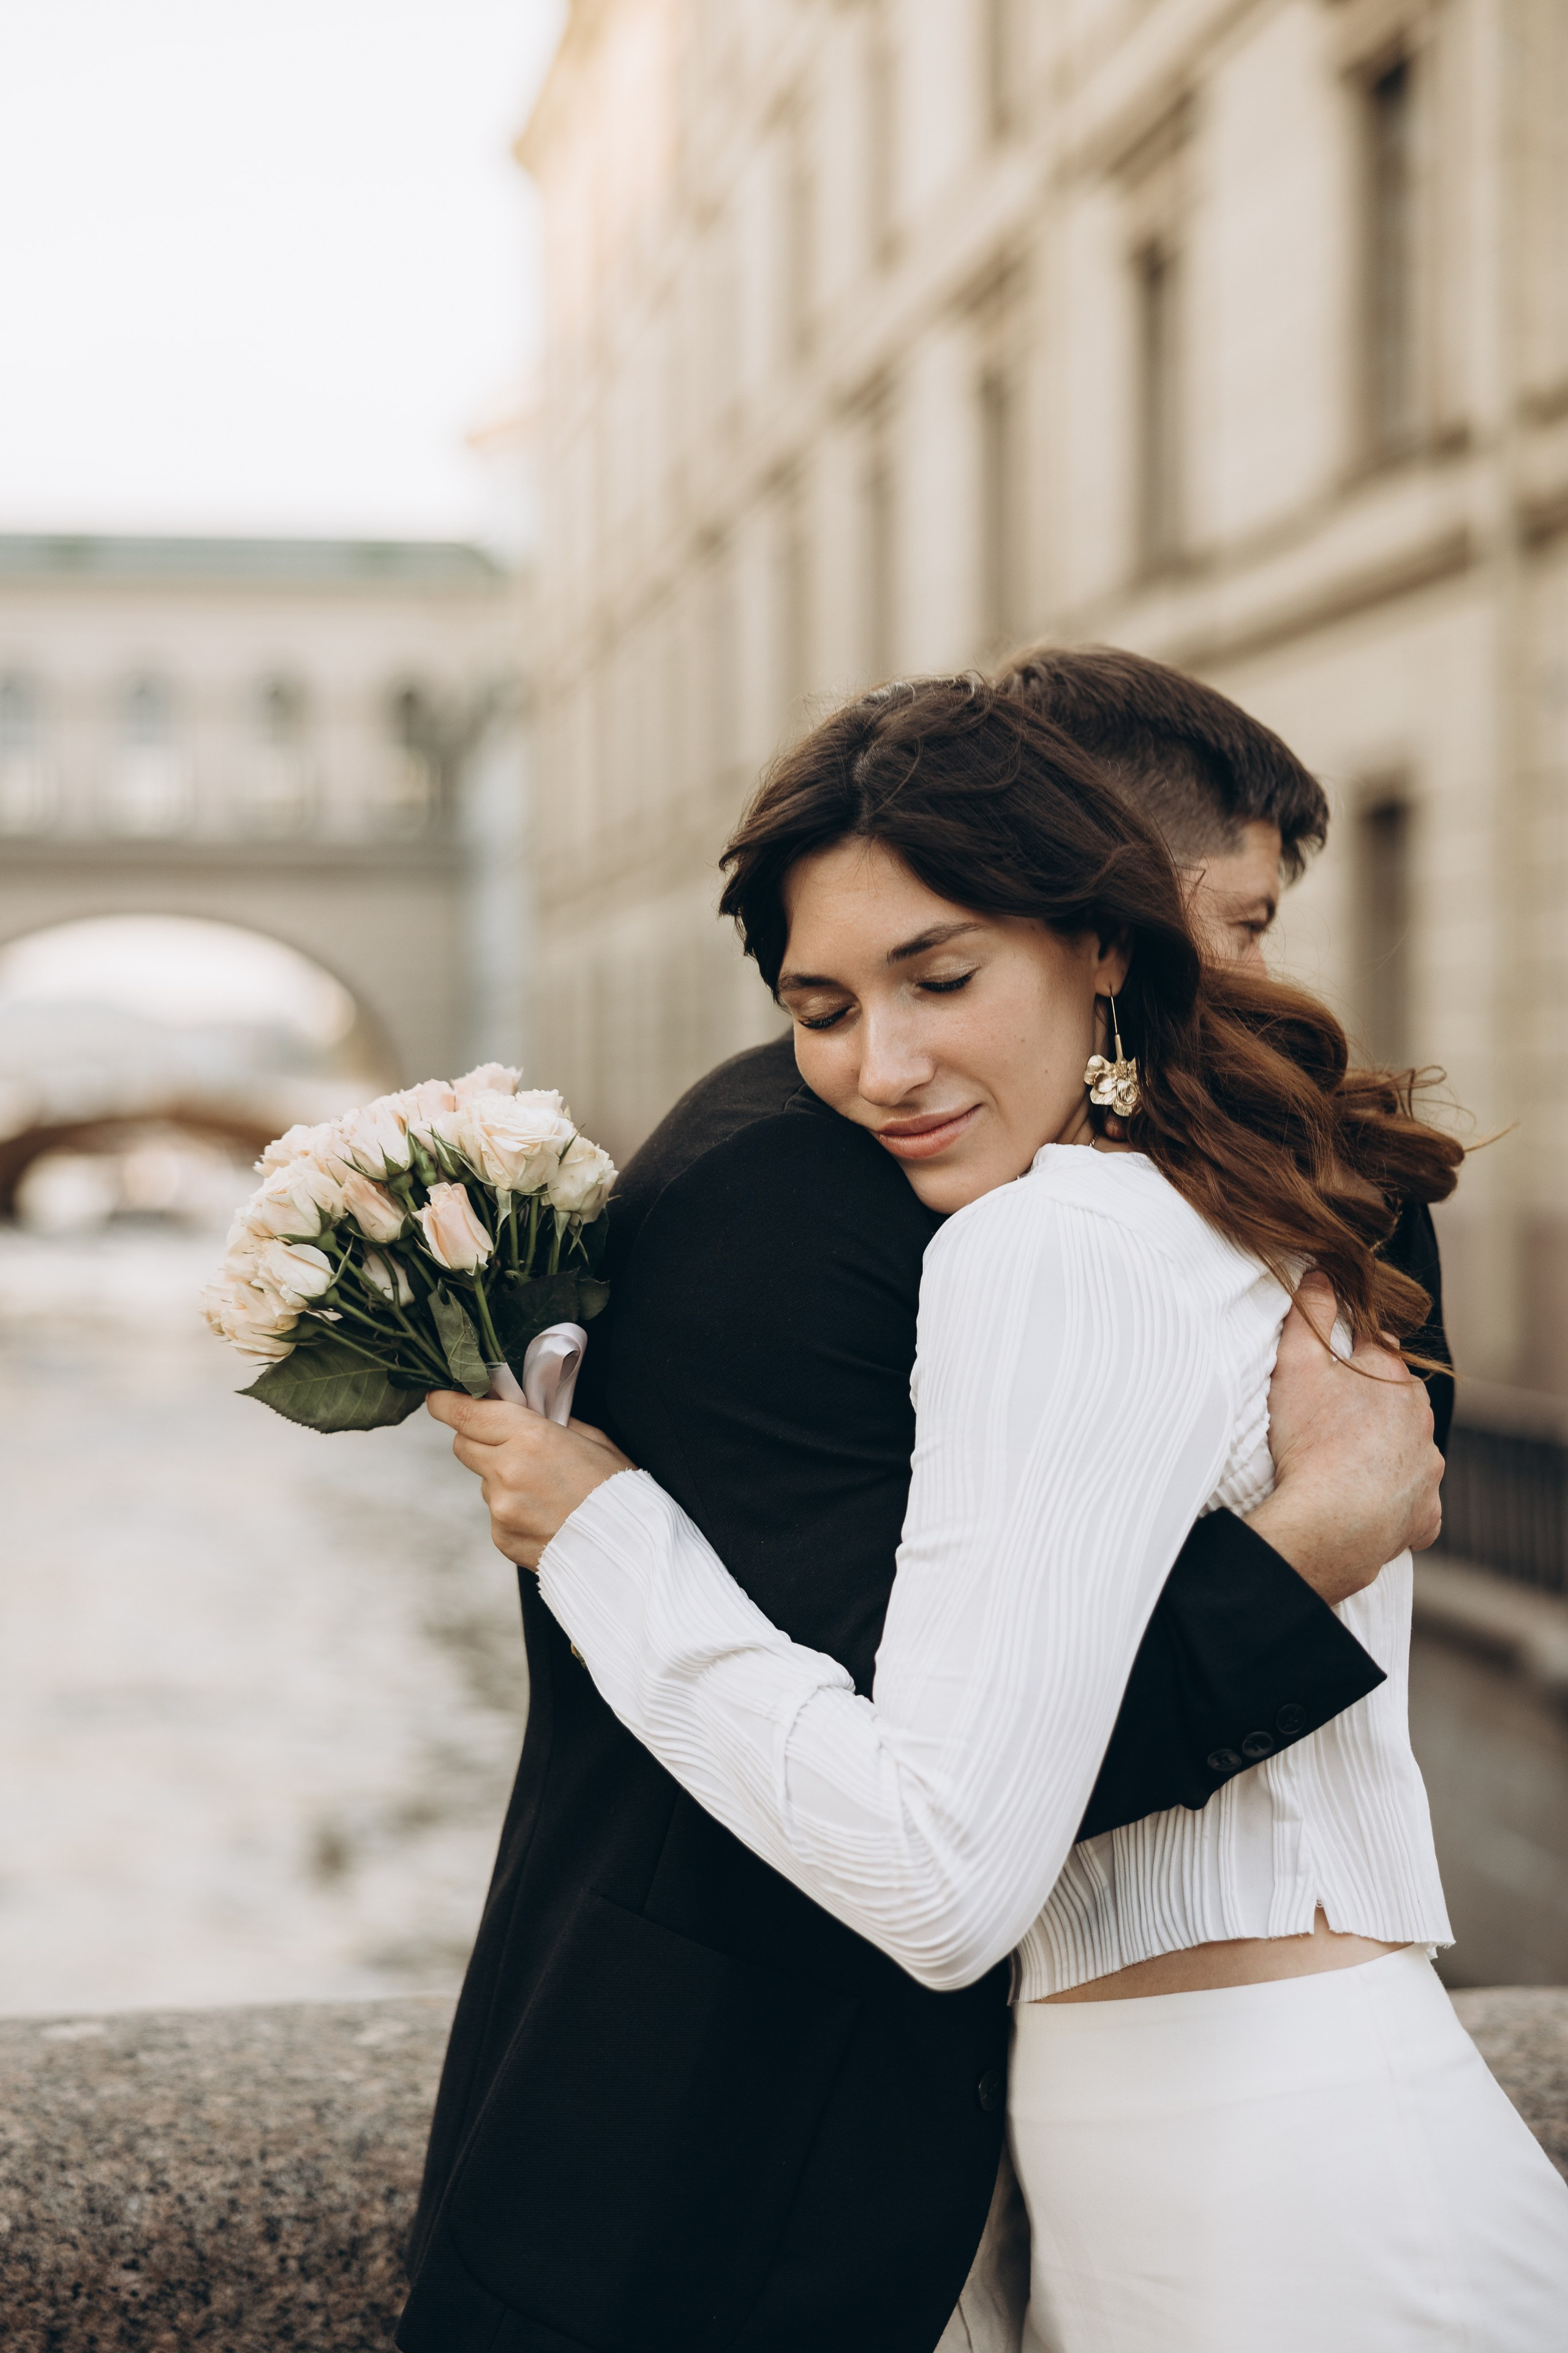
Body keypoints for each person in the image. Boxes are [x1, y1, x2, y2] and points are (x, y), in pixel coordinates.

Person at [450, 679, 1568, 2350]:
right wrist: (1308, 1544)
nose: (881, 1065)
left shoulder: (1041, 1242)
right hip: (1265, 2137)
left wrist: (607, 1536)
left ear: (1105, 940)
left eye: (941, 977)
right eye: (821, 1004)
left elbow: (941, 1867)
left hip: (1252, 2183)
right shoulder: (1276, 1196)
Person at [994, 641, 1452, 1449]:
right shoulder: (861, 1158)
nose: (1262, 973)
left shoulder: (1342, 1180)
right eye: (1247, 925)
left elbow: (1412, 1476)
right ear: (1115, 900)